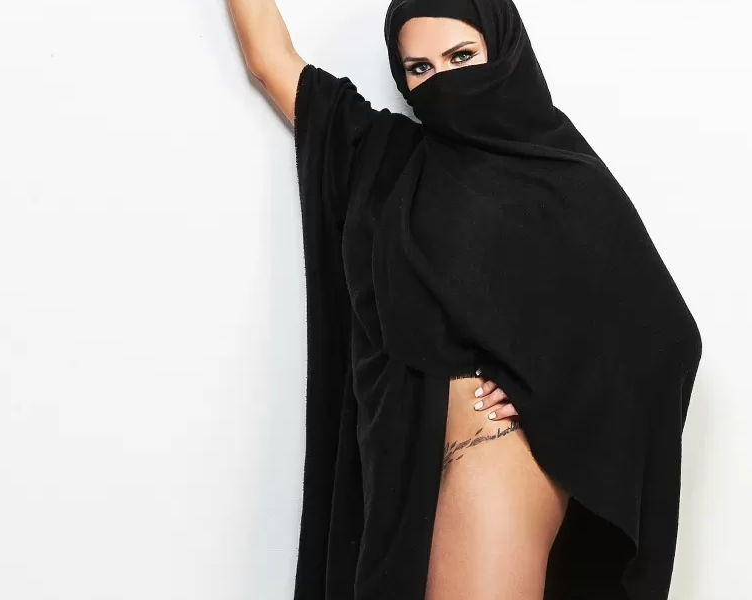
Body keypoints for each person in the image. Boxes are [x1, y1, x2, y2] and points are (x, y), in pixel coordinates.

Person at [226, 1, 703, 599]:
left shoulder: (560, 172)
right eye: (420, 68)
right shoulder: (383, 157)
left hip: (492, 457)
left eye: (461, 57)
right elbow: (270, 59)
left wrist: (547, 392)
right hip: (402, 467)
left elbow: (666, 336)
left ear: (502, 51)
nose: (443, 82)